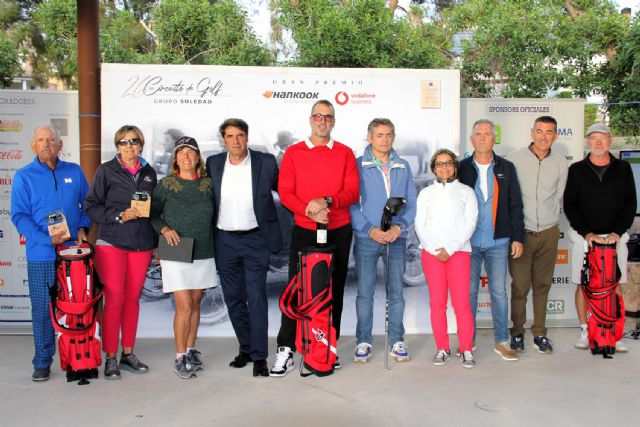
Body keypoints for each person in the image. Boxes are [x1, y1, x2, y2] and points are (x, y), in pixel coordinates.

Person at [270, 99, 359, 376]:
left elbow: (352, 192)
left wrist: (328, 201)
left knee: (334, 292)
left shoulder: (345, 152)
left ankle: (327, 348)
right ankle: (286, 348)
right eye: (318, 116)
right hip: (306, 230)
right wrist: (310, 209)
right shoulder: (294, 153)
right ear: (311, 119)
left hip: (338, 229)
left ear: (333, 121)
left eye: (328, 117)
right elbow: (287, 193)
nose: (323, 121)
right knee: (298, 291)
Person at [11, 125, 92, 381]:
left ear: (60, 145)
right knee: (43, 309)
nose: (46, 144)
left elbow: (87, 204)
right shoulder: (24, 176)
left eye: (51, 140)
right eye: (41, 140)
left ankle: (77, 358)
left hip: (73, 254)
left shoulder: (74, 171)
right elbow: (19, 216)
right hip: (41, 255)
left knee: (77, 307)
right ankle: (43, 360)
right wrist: (45, 239)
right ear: (33, 146)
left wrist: (82, 226)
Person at [206, 119, 282, 377]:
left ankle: (260, 356)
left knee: (257, 297)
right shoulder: (214, 164)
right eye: (230, 136)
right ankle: (246, 348)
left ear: (247, 138)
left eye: (240, 135)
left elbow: (287, 189)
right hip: (224, 240)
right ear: (223, 140)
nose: (236, 141)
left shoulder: (266, 162)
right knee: (233, 298)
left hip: (255, 239)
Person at [84, 125, 157, 379]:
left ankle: (128, 353)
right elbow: (91, 206)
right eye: (123, 142)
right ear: (117, 146)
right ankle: (110, 357)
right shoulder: (106, 170)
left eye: (134, 141)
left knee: (132, 300)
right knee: (114, 301)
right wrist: (118, 215)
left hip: (141, 244)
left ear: (141, 144)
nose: (129, 146)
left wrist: (156, 241)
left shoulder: (149, 172)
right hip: (112, 243)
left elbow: (153, 209)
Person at [564, 123, 636, 352]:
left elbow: (630, 204)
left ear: (610, 140)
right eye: (593, 138)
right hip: (585, 237)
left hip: (616, 237)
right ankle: (586, 330)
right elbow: (570, 206)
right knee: (583, 284)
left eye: (602, 138)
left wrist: (617, 232)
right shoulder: (576, 169)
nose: (597, 142)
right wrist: (588, 233)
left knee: (615, 284)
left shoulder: (623, 168)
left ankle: (614, 333)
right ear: (587, 141)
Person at [349, 118, 416, 363]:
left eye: (388, 135)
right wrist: (369, 229)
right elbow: (352, 205)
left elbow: (411, 202)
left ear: (393, 137)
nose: (384, 139)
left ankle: (397, 340)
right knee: (365, 293)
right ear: (369, 137)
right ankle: (363, 342)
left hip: (396, 238)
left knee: (396, 292)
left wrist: (400, 227)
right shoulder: (357, 165)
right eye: (379, 135)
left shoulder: (403, 166)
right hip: (368, 238)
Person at [151, 137, 218, 379]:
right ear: (175, 158)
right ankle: (179, 356)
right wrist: (165, 230)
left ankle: (190, 350)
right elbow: (153, 214)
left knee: (196, 303)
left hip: (204, 249)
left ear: (197, 157)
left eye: (190, 152)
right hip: (176, 249)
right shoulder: (167, 184)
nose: (186, 157)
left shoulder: (209, 184)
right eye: (181, 153)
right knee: (185, 306)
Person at [459, 119, 524, 362]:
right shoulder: (461, 168)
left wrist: (517, 237)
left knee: (498, 292)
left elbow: (515, 204)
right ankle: (468, 341)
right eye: (479, 134)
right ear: (472, 139)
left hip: (499, 241)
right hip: (469, 242)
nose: (483, 138)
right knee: (469, 293)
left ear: (494, 138)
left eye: (488, 134)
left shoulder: (507, 167)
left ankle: (501, 341)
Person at [506, 116, 568, 354]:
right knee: (520, 286)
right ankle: (517, 333)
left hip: (550, 233)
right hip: (521, 234)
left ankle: (540, 332)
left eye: (549, 132)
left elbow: (559, 195)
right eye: (539, 131)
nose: (543, 136)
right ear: (532, 133)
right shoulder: (514, 160)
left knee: (542, 286)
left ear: (556, 135)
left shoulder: (561, 162)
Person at [415, 149, 478, 368]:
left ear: (454, 166)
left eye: (448, 163)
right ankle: (442, 348)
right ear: (433, 168)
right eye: (439, 164)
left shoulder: (466, 192)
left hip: (458, 253)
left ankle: (466, 349)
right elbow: (419, 224)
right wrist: (435, 248)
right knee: (438, 303)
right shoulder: (426, 193)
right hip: (431, 254)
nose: (444, 167)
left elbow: (470, 223)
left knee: (462, 304)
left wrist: (450, 249)